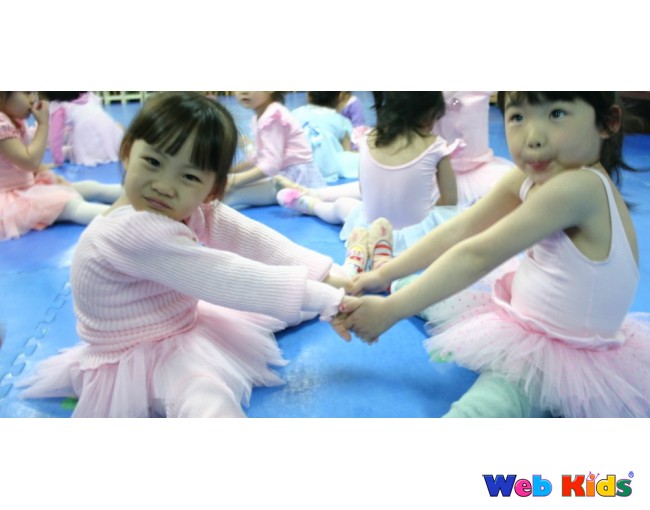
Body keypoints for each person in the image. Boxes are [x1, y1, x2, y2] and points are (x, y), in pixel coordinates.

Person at [18, 92, 350, 418]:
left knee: (285, 307)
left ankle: (335, 288)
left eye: (189, 176)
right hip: (139, 356)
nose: (164, 185)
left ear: (212, 190)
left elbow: (251, 239)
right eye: (153, 162)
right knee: (206, 396)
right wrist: (328, 299)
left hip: (182, 318)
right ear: (128, 152)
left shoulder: (186, 207)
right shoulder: (134, 232)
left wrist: (326, 273)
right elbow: (227, 278)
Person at [340, 91, 650, 418]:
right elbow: (462, 228)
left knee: (477, 412)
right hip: (519, 311)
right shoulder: (535, 176)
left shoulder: (579, 187)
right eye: (518, 117)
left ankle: (399, 294)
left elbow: (477, 254)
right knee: (448, 298)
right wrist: (382, 274)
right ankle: (398, 284)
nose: (533, 137)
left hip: (557, 355)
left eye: (557, 114)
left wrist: (389, 313)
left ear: (607, 123)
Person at [276, 92, 460, 257]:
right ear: (430, 114)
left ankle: (309, 203)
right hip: (419, 239)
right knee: (453, 215)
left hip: (372, 230)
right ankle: (310, 199)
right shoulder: (437, 146)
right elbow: (450, 200)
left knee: (342, 206)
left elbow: (365, 190)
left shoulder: (367, 138)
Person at [0, 92, 123, 241]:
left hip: (27, 186)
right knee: (71, 206)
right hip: (11, 199)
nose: (32, 99)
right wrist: (43, 124)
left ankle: (130, 193)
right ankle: (127, 220)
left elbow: (17, 161)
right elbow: (30, 161)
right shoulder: (1, 124)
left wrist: (45, 175)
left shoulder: (15, 119)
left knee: (85, 187)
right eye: (26, 93)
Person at [223, 91, 326, 209]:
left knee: (230, 195)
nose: (243, 92)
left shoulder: (273, 116)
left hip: (296, 178)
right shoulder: (261, 116)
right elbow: (258, 158)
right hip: (283, 174)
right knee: (232, 188)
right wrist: (230, 171)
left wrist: (233, 182)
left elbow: (270, 166)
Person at [40, 91, 124, 167]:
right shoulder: (87, 96)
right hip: (113, 143)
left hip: (91, 150)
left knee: (66, 151)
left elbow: (56, 137)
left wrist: (57, 160)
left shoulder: (59, 107)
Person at [291, 91, 359, 181]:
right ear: (341, 97)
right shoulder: (342, 121)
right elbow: (346, 152)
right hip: (327, 173)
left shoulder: (295, 113)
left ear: (308, 95)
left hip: (295, 171)